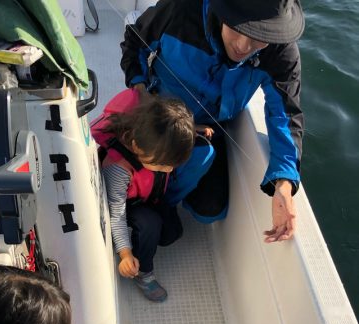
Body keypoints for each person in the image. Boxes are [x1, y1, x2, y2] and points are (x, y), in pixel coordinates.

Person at [121, 0, 305, 243]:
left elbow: (285, 114)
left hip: (209, 128)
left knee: (209, 209)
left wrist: (284, 183)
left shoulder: (281, 52)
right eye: (238, 28)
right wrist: (141, 92)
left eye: (260, 37)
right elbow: (135, 41)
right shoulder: (181, 9)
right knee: (125, 174)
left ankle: (164, 198)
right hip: (159, 117)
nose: (243, 46)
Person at [91, 89, 195, 301]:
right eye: (163, 165)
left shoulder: (155, 139)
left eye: (172, 165)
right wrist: (125, 254)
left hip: (151, 195)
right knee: (150, 224)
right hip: (127, 204)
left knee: (171, 234)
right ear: (136, 146)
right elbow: (116, 214)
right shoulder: (118, 170)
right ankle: (144, 273)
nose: (168, 170)